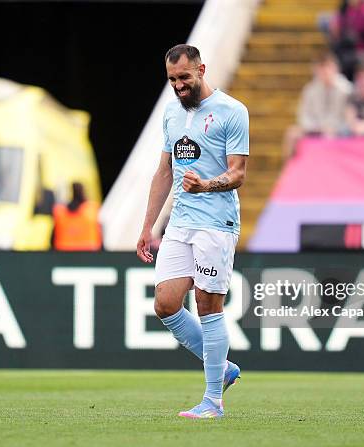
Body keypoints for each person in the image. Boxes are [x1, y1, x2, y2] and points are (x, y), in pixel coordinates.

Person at [136, 44, 247, 419]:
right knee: (166, 304)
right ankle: (224, 367)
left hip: (217, 223)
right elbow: (164, 171)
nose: (179, 86)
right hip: (180, 222)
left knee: (207, 306)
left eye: (184, 77)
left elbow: (238, 173)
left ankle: (213, 401)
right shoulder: (171, 113)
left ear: (201, 69)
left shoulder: (233, 111)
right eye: (172, 80)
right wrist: (148, 226)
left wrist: (207, 185)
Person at [282, 52, 352, 158]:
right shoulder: (310, 89)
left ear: (335, 68)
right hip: (315, 128)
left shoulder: (346, 89)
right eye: (321, 69)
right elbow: (303, 114)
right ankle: (290, 170)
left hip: (337, 129)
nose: (325, 72)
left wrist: (332, 128)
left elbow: (348, 117)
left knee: (329, 137)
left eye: (327, 68)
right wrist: (315, 127)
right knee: (291, 134)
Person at [52, 182, 102, 251]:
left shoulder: (60, 211)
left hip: (65, 251)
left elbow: (53, 236)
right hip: (88, 250)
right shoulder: (92, 208)